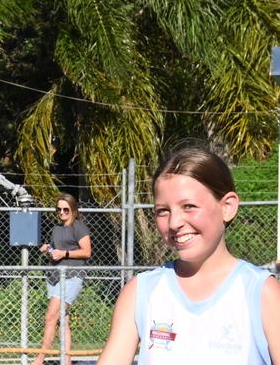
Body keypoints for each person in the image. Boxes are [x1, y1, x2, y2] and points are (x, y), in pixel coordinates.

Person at [98, 146, 280, 364]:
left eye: (189, 206)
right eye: (162, 211)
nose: (174, 223)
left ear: (228, 207)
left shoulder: (262, 294)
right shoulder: (141, 292)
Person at [32, 193, 92, 365]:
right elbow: (56, 252)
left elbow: (87, 252)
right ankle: (67, 360)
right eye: (59, 209)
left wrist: (64, 253)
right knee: (63, 320)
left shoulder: (78, 227)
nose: (62, 212)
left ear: (73, 210)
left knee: (51, 316)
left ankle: (40, 358)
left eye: (66, 209)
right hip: (54, 277)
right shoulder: (57, 229)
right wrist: (48, 249)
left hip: (72, 276)